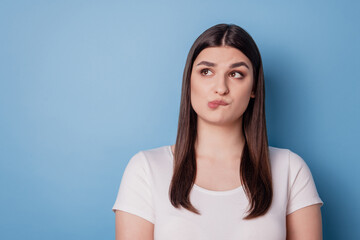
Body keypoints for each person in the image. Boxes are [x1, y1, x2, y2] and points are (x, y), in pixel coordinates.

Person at [112, 23, 324, 240]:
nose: (220, 87)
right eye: (206, 71)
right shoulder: (146, 169)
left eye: (236, 74)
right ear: (189, 81)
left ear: (253, 88)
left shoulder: (290, 169)